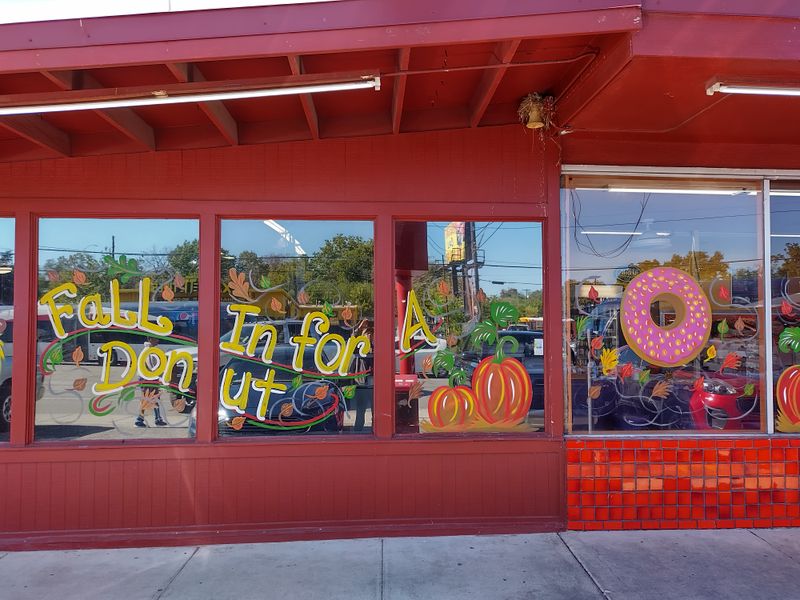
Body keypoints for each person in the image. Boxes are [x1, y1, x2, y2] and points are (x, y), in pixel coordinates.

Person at [135, 337, 167, 427]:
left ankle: (157, 418)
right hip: (147, 378)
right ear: (150, 339)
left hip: (149, 378)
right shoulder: (148, 351)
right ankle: (139, 420)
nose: (158, 340)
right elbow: (151, 366)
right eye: (155, 339)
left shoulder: (150, 350)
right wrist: (159, 377)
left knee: (155, 398)